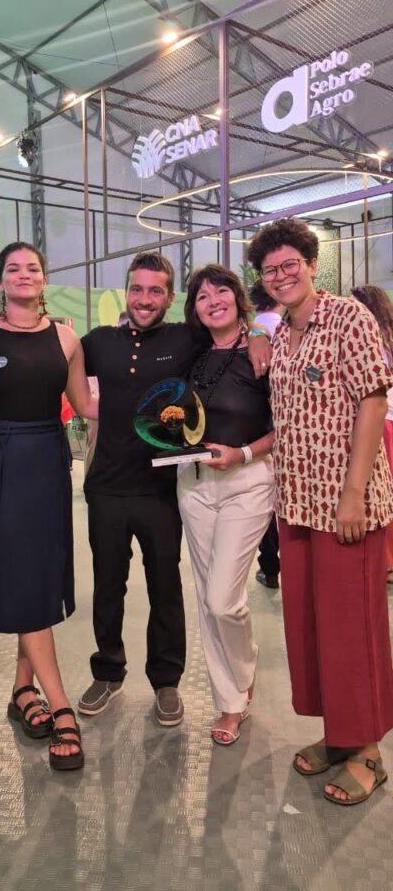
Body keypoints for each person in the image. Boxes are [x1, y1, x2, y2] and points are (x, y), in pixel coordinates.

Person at [78, 251, 271, 727]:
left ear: (169, 297)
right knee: (107, 585)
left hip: (165, 486)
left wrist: (263, 334)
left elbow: (240, 325)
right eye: (138, 288)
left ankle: (166, 681)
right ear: (127, 290)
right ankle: (108, 670)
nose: (145, 299)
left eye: (156, 290)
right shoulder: (99, 341)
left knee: (167, 588)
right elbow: (58, 359)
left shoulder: (186, 338)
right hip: (106, 486)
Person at [247, 217, 393, 806]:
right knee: (310, 626)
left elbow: (372, 398)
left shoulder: (348, 317)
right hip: (298, 500)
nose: (281, 276)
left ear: (311, 264)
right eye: (270, 270)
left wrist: (354, 493)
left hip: (344, 503)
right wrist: (259, 327)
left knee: (353, 627)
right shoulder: (281, 328)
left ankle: (369, 753)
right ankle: (339, 735)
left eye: (290, 265)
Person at [0, 241, 96, 772]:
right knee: (21, 573)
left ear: (44, 279)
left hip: (49, 460)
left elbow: (85, 405)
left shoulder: (66, 338)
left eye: (32, 268)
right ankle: (59, 702)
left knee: (38, 574)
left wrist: (149, 411)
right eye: (12, 269)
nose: (23, 275)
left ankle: (23, 690)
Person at [177, 265, 275, 745]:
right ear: (193, 308)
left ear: (238, 298)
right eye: (201, 295)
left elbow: (287, 423)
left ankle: (243, 667)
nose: (212, 299)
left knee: (223, 598)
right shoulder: (194, 354)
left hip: (249, 480)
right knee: (207, 599)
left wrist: (244, 453)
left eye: (221, 291)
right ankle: (230, 702)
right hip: (193, 484)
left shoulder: (264, 350)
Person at [351, 284, 393, 583]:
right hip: (389, 420)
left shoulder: (369, 340)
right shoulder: (387, 337)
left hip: (381, 423)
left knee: (377, 492)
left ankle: (386, 562)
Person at [250, 279, 283, 590]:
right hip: (283, 426)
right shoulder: (282, 325)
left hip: (260, 427)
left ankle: (270, 565)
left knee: (267, 496)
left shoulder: (255, 327)